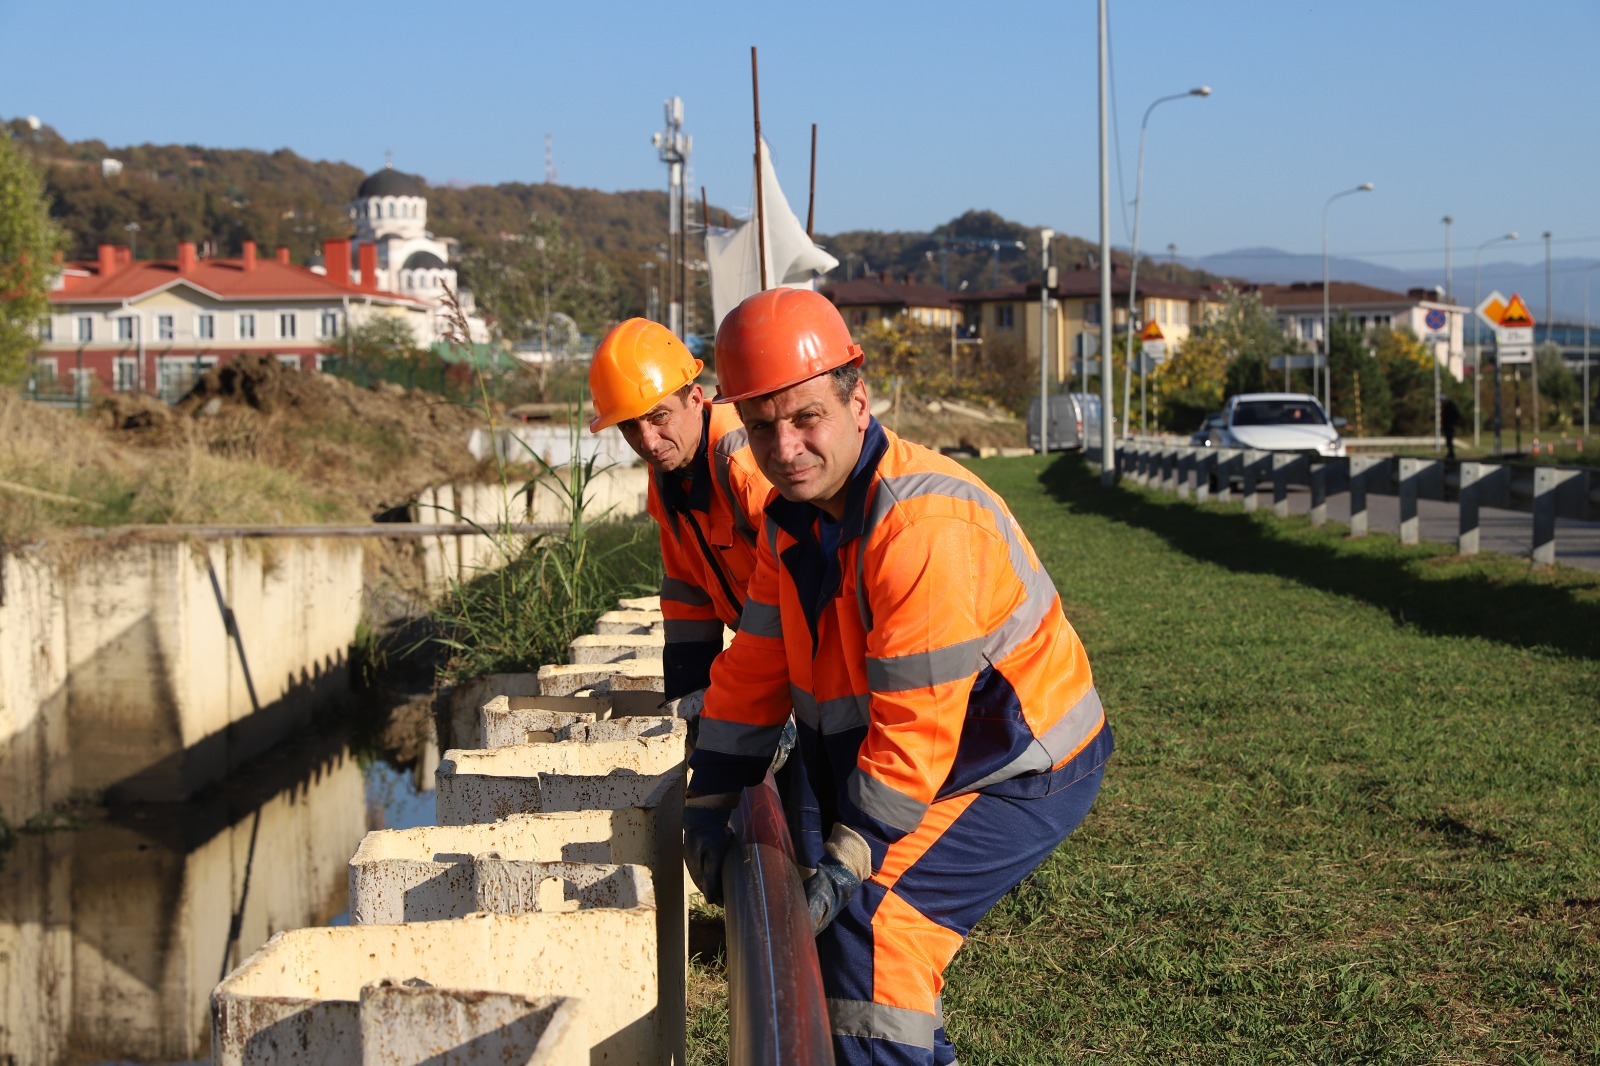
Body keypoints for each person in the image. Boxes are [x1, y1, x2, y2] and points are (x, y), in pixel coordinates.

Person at [682, 288, 1113, 1065]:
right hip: (926, 753)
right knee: (847, 939)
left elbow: (918, 730)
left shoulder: (917, 527)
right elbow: (752, 672)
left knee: (873, 930)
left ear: (859, 401)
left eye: (805, 417)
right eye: (760, 427)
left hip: (1015, 762)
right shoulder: (795, 524)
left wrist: (852, 857)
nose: (784, 447)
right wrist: (708, 801)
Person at [587, 318, 772, 719]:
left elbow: (805, 593)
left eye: (658, 417)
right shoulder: (668, 477)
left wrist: (766, 695)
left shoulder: (745, 465)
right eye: (629, 427)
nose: (647, 443)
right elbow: (687, 593)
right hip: (767, 649)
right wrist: (690, 698)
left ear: (695, 398)